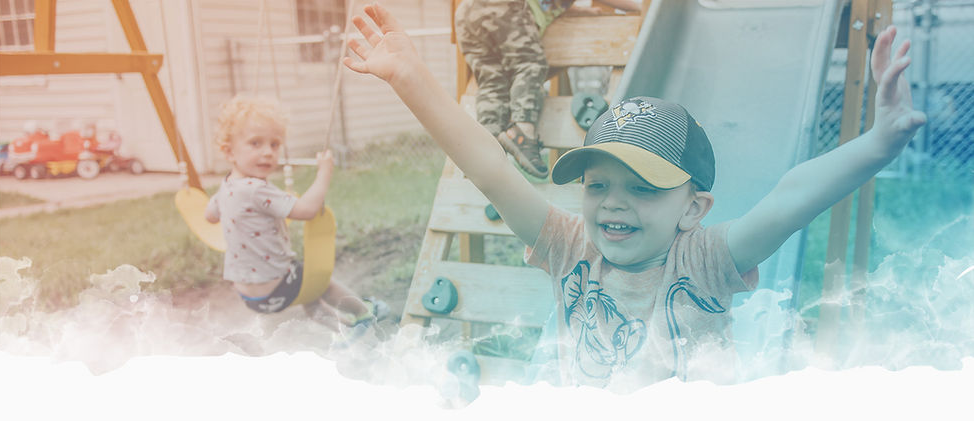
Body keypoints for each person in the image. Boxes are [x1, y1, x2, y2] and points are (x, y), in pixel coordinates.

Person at [343, 3, 925, 387]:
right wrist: (409, 80)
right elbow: (489, 167)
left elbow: (790, 197)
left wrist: (879, 141)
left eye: (644, 189)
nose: (613, 204)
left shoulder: (705, 258)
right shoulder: (568, 244)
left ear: (693, 209)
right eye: (598, 186)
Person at [205, 95, 387, 332]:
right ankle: (365, 313)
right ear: (229, 152)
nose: (268, 152)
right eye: (255, 143)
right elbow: (307, 210)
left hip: (249, 296)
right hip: (276, 286)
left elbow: (210, 215)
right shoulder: (257, 190)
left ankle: (342, 329)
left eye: (274, 144)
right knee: (321, 284)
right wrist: (324, 173)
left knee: (308, 294)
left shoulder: (226, 186)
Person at [455, 0, 640, 179]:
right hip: (503, 7)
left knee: (493, 82)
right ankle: (522, 132)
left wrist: (580, 11)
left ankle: (487, 147)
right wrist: (642, 7)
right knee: (530, 64)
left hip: (467, 15)